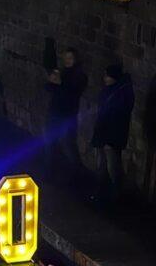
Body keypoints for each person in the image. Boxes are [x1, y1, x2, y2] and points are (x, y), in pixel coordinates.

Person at [90, 64, 135, 204]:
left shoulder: (122, 93)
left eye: (107, 75)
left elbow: (119, 116)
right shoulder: (109, 90)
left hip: (112, 135)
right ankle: (101, 191)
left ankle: (116, 193)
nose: (104, 78)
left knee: (112, 165)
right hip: (104, 132)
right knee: (101, 164)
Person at [45, 48, 88, 181]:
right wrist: (51, 81)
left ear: (75, 59)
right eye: (65, 58)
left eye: (70, 58)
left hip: (67, 114)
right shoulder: (62, 72)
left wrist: (60, 83)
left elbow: (73, 92)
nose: (67, 61)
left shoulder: (79, 76)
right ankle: (50, 172)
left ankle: (77, 174)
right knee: (51, 143)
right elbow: (50, 89)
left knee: (69, 144)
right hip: (55, 112)